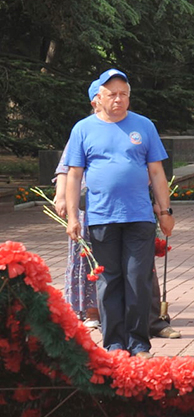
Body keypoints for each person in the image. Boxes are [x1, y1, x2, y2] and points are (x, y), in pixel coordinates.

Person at [64, 69, 174, 358]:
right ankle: (113, 343)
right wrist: (73, 217)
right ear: (98, 98)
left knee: (138, 279)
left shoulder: (144, 126)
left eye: (123, 93)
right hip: (101, 218)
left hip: (139, 217)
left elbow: (157, 172)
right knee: (108, 281)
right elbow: (74, 175)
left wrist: (166, 210)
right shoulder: (83, 129)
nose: (118, 99)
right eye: (112, 94)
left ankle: (139, 343)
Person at [54, 79, 102, 330]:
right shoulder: (83, 129)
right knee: (85, 259)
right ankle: (89, 311)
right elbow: (66, 168)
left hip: (118, 206)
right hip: (84, 206)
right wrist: (61, 196)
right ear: (94, 101)